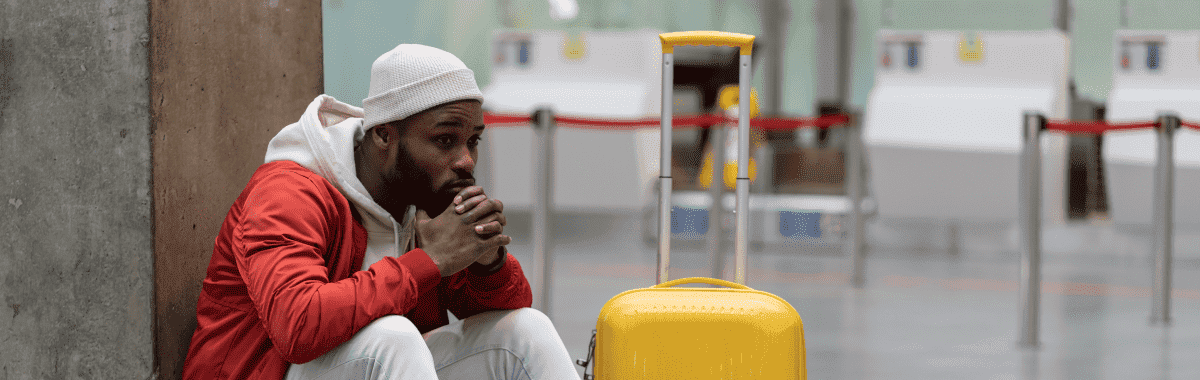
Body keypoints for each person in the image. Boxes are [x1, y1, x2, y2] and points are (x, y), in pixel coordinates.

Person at [181, 44, 578, 379]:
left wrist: (486, 262)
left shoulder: (423, 200)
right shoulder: (288, 192)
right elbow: (297, 325)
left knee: (526, 330)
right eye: (444, 140)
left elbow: (497, 310)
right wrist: (431, 260)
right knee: (393, 337)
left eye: (472, 141)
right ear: (384, 134)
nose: (465, 161)